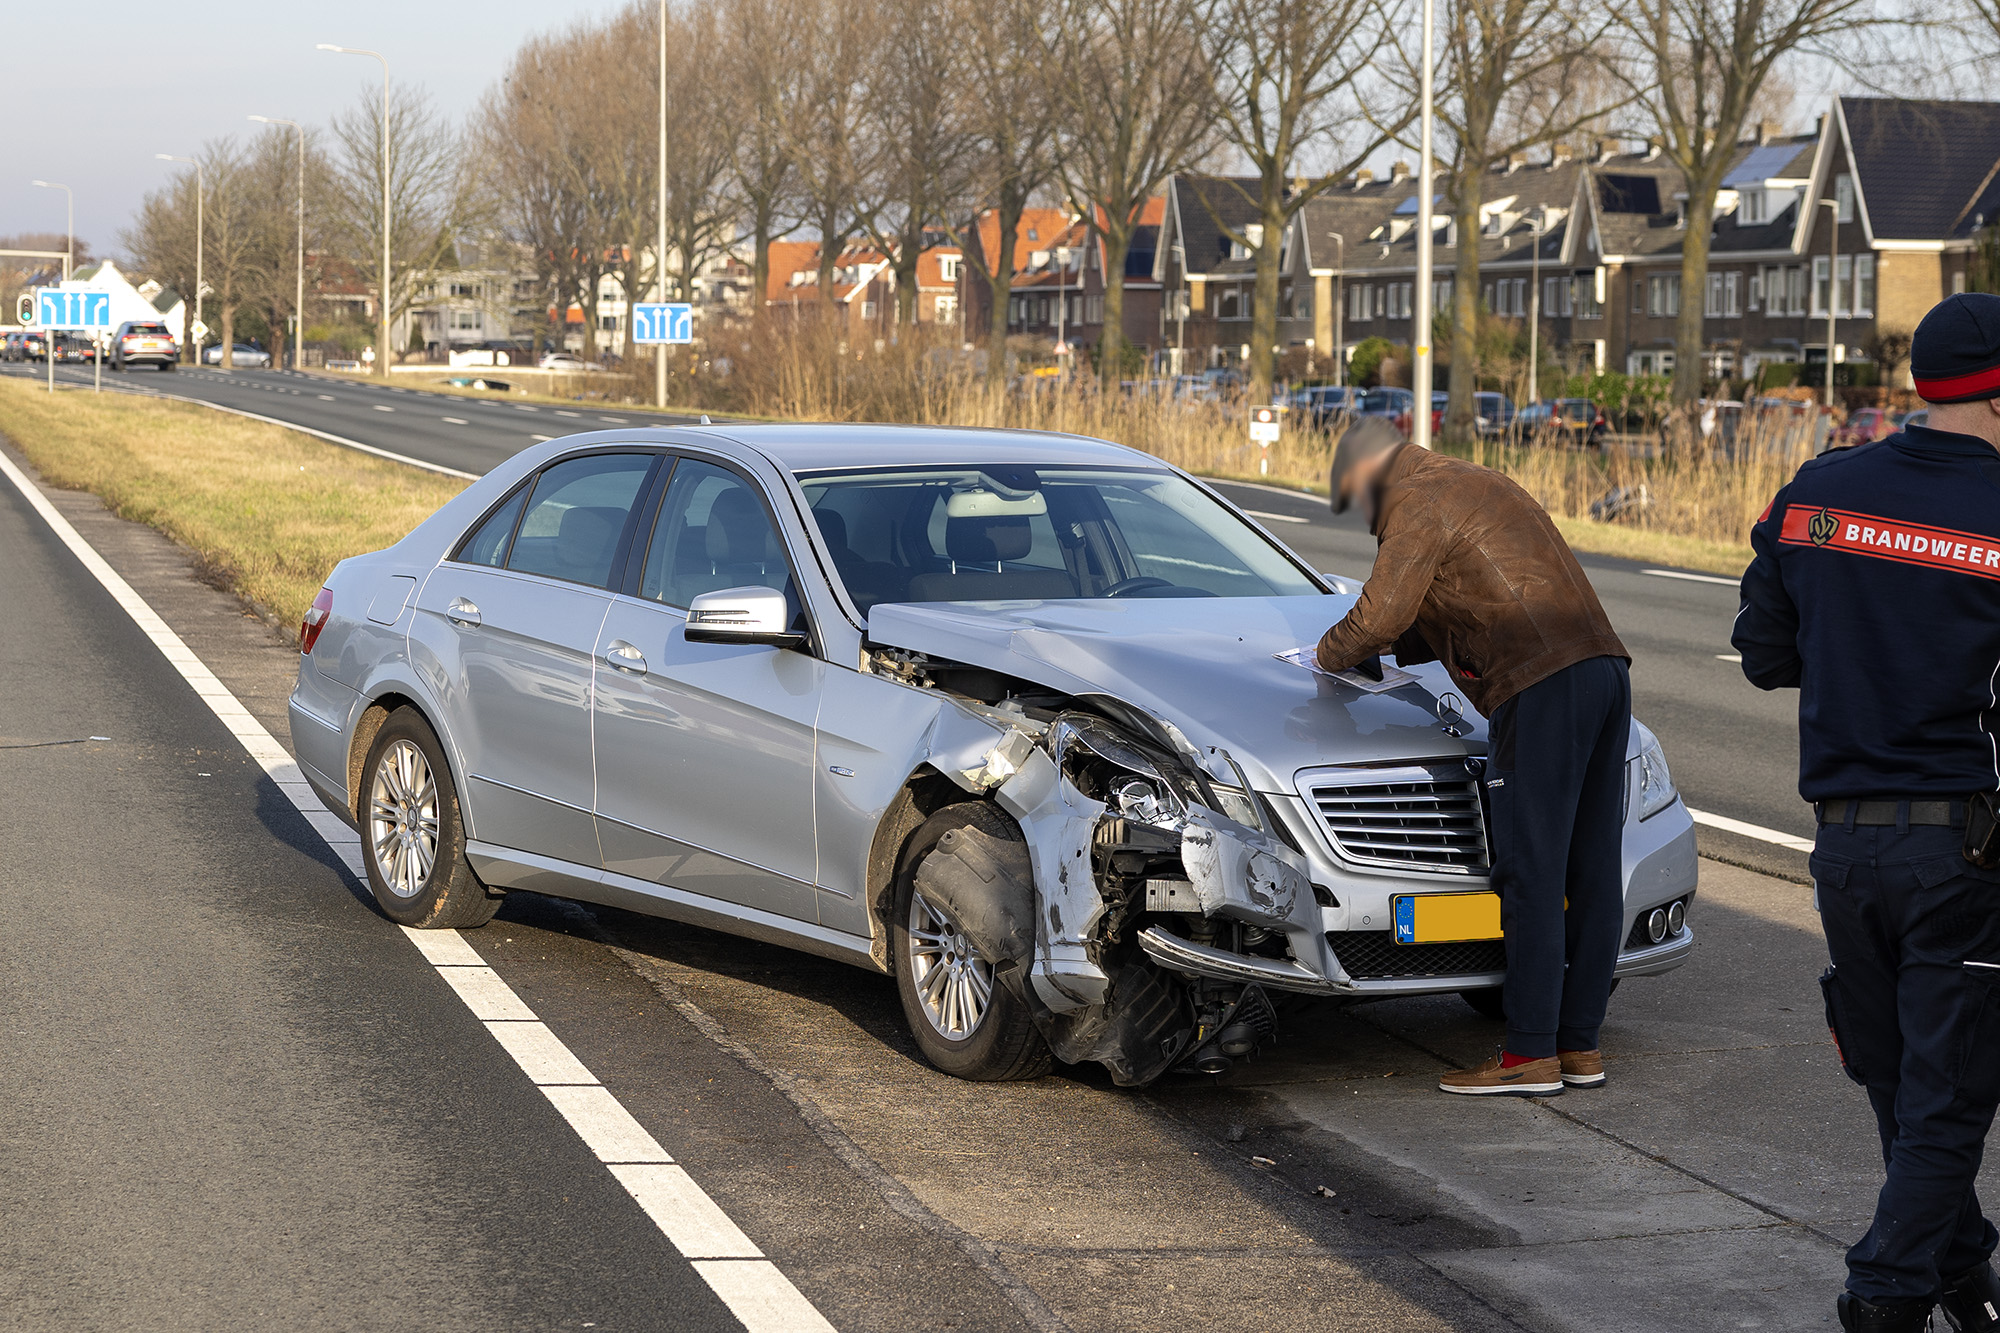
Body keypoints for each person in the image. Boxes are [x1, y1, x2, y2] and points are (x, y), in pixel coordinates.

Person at [1735, 291, 2000, 1333]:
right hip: (1960, 853)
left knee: (1900, 1084)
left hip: (1841, 850)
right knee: (1949, 1097)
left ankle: (1959, 1273)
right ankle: (1883, 1292)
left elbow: (1761, 656)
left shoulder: (1816, 491)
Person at [1316, 419, 1631, 1097]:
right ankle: (1578, 1045)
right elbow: (1472, 593)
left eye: (1357, 498)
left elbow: (1374, 616)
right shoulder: (1476, 480)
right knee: (1594, 866)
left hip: (1541, 683)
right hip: (1604, 669)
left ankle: (1527, 1056)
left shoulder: (1415, 501)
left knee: (1531, 872)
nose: (1366, 515)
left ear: (1370, 473)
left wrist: (1326, 653)